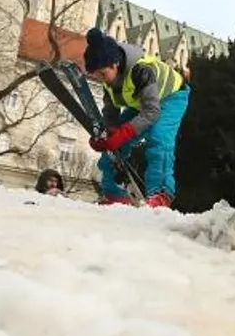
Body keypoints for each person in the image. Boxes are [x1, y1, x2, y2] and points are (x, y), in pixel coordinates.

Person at [82, 27, 191, 208]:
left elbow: (151, 112)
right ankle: (113, 191)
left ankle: (161, 192)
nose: (101, 79)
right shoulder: (109, 81)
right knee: (117, 141)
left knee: (159, 137)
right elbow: (110, 114)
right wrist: (107, 134)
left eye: (102, 73)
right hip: (143, 103)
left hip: (172, 97)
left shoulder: (141, 70)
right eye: (97, 75)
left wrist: (123, 133)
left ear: (114, 64)